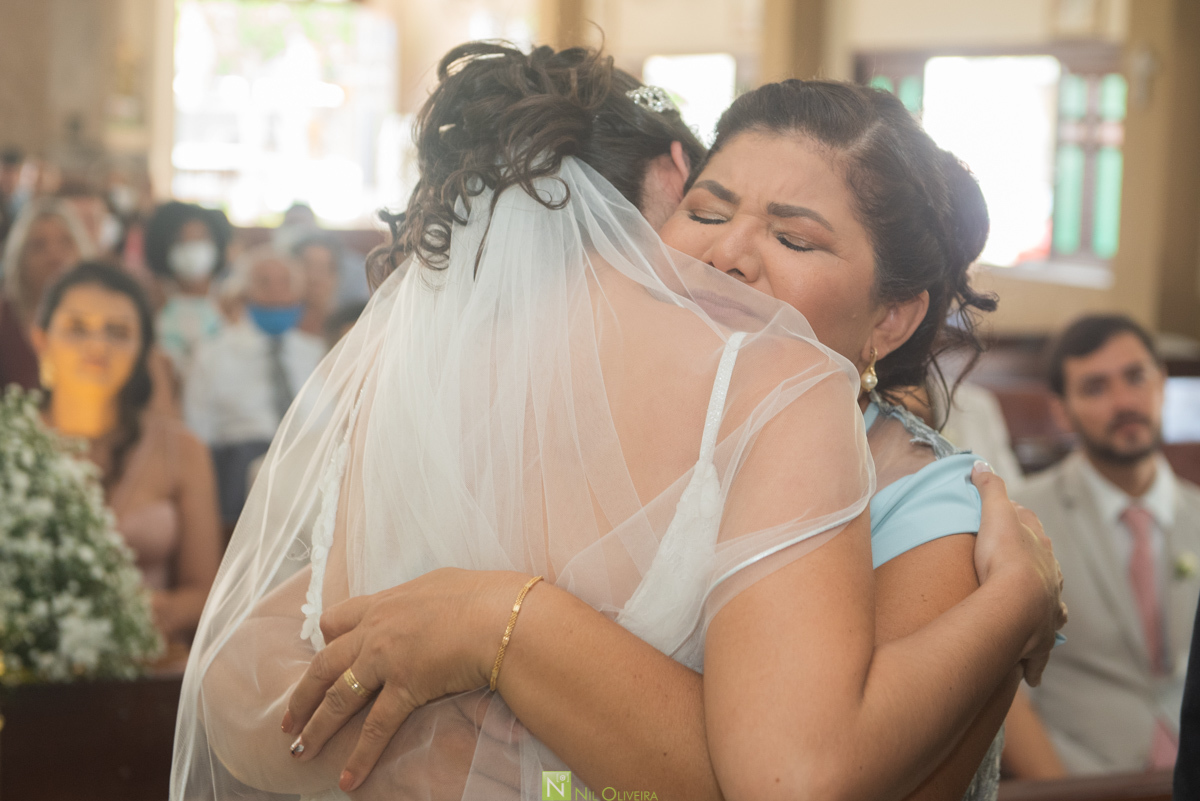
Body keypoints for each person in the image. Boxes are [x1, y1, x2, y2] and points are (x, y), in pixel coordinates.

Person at [172, 44, 1064, 801]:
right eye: (705, 212)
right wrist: (441, 756)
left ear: (891, 319)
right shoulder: (600, 425)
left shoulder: (926, 503)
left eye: (793, 240)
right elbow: (262, 657)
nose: (728, 254)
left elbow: (822, 777)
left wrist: (1011, 603)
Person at [1006, 314, 1200, 775]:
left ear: (1162, 383)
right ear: (1061, 410)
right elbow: (1000, 688)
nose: (1125, 402)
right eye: (1095, 388)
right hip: (1083, 778)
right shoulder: (1019, 520)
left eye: (1136, 377)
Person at [30, 262, 223, 657]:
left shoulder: (183, 452)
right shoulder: (12, 442)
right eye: (77, 328)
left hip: (148, 665)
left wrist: (132, 617)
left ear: (143, 350)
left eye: (118, 332)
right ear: (41, 340)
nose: (97, 345)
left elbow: (206, 592)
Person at [183, 245, 325, 525]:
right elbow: (198, 431)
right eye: (264, 283)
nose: (276, 293)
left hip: (308, 467)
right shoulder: (212, 353)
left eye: (286, 283)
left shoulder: (317, 353)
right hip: (239, 468)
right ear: (245, 293)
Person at [0, 197, 94, 390]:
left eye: (65, 242)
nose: (54, 255)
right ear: (20, 258)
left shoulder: (101, 314)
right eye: (39, 245)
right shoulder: (4, 318)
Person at [145, 201, 233, 376]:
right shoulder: (152, 299)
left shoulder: (232, 298)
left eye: (201, 238)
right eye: (182, 240)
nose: (193, 248)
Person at [292, 233, 342, 338]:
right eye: (307, 267)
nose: (315, 277)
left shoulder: (345, 325)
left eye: (323, 268)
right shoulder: (279, 321)